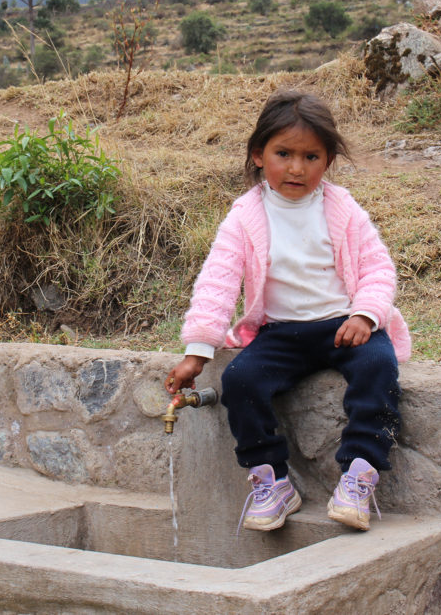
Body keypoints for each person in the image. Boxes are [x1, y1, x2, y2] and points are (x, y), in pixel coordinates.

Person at [165, 90, 411, 533]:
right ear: (259, 155)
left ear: (328, 161)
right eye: (284, 154)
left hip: (344, 326)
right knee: (240, 380)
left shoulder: (341, 208)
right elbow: (218, 282)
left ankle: (360, 472)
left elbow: (378, 267)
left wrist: (366, 315)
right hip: (282, 335)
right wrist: (197, 352)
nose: (297, 168)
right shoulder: (245, 216)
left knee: (378, 365)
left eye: (311, 156)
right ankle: (272, 481)